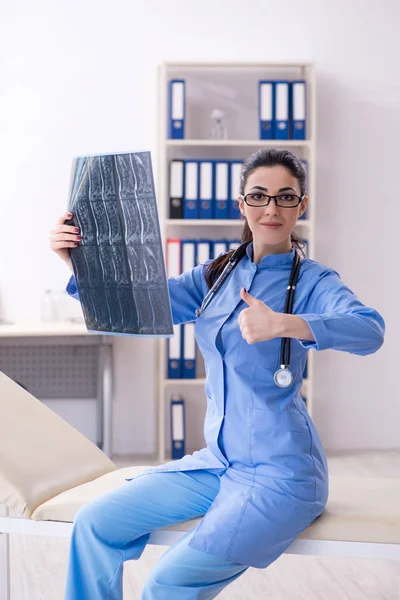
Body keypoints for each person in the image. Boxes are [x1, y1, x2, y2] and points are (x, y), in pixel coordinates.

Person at [49, 148, 385, 600]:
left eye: (286, 197)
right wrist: (77, 261)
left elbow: (369, 328)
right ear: (241, 204)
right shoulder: (218, 275)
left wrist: (285, 323)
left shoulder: (313, 282)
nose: (271, 208)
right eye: (259, 196)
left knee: (168, 582)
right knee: (96, 523)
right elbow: (143, 304)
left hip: (281, 475)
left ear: (301, 206)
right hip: (220, 463)